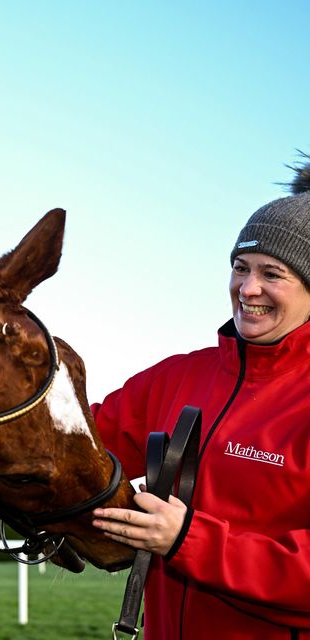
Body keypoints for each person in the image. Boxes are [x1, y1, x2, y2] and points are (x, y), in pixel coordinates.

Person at [91, 167, 310, 639]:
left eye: (272, 274)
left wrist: (188, 540)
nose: (248, 289)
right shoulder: (176, 376)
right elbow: (78, 448)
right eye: (240, 268)